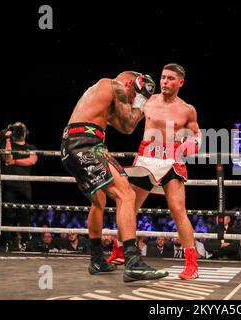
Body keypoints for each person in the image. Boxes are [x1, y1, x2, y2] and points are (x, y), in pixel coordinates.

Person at [60, 70, 168, 282]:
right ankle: (133, 261)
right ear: (130, 82)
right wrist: (142, 99)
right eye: (133, 94)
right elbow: (129, 121)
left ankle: (97, 259)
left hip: (72, 146)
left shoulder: (101, 97)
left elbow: (125, 128)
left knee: (99, 201)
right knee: (126, 195)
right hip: (85, 144)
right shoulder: (114, 85)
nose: (130, 100)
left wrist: (140, 103)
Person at [110, 63, 201, 280]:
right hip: (146, 157)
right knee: (128, 206)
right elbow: (127, 118)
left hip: (171, 158)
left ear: (180, 83)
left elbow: (197, 135)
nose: (165, 82)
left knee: (178, 210)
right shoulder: (147, 101)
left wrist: (192, 145)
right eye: (163, 77)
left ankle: (191, 264)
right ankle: (120, 252)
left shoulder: (187, 109)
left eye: (170, 78)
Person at [0, 122, 37, 248]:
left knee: (24, 214)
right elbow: (6, 157)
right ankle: (5, 242)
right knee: (7, 213)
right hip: (9, 184)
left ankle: (26, 242)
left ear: (26, 132)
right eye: (17, 128)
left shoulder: (31, 147)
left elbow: (32, 160)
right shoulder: (8, 144)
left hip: (24, 185)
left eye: (21, 128)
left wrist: (14, 161)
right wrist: (8, 139)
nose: (19, 131)